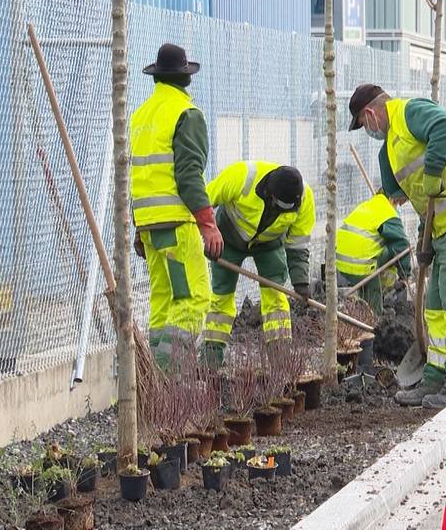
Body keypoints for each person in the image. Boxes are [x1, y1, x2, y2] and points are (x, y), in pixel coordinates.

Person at [348, 83, 446, 409]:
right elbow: (404, 197)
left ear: (370, 113)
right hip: (443, 227)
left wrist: (433, 170)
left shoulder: (410, 112)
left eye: (363, 123)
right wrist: (422, 237)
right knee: (436, 303)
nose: (368, 130)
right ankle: (435, 375)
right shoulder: (388, 149)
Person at [130, 43, 223, 368]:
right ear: (185, 78)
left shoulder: (141, 116)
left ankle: (154, 380)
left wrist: (138, 227)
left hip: (150, 227)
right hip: (177, 228)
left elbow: (139, 174)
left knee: (162, 300)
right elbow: (188, 175)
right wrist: (208, 223)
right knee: (192, 299)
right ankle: (173, 381)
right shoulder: (186, 114)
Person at [202, 160, 315, 364]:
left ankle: (280, 361)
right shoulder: (240, 177)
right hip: (228, 238)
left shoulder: (305, 199)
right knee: (222, 297)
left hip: (269, 243)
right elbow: (203, 202)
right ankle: (211, 359)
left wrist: (301, 281)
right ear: (268, 194)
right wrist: (208, 234)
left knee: (276, 297)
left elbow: (297, 243)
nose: (281, 213)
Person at [336, 190, 412, 316]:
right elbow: (402, 246)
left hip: (342, 265)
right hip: (362, 266)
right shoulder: (388, 213)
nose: (400, 205)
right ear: (393, 198)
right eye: (400, 202)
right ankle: (375, 316)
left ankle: (363, 308)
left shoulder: (367, 205)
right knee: (390, 250)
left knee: (377, 248)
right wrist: (405, 276)